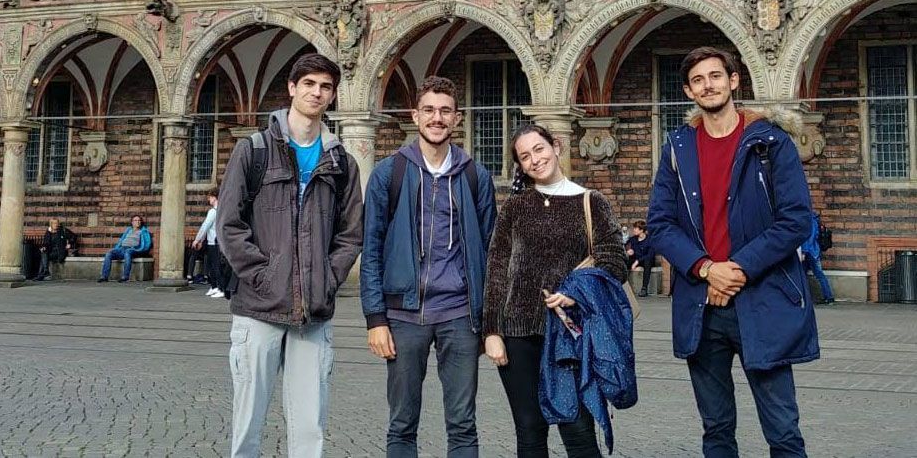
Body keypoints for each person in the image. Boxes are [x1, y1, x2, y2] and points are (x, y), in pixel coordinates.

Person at [647, 47, 818, 458]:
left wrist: (736, 269)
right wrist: (707, 269)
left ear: (734, 81)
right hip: (703, 306)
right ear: (689, 91)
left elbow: (795, 220)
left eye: (716, 76)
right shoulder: (678, 147)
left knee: (783, 430)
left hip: (762, 300)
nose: (709, 85)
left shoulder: (771, 143)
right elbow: (660, 225)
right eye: (699, 80)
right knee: (717, 429)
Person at [216, 53, 363, 458]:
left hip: (313, 314)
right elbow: (229, 224)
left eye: (326, 87)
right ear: (292, 88)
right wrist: (261, 275)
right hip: (258, 308)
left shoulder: (341, 162)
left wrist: (328, 278)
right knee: (248, 426)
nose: (317, 92)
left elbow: (350, 234)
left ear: (333, 96)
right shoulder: (254, 150)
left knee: (310, 429)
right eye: (310, 84)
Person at [360, 76, 497, 458]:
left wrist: (490, 322)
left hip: (459, 315)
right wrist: (375, 319)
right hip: (403, 316)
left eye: (445, 111)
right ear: (415, 115)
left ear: (457, 118)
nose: (437, 118)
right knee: (402, 425)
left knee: (463, 425)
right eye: (430, 110)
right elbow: (370, 248)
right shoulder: (389, 174)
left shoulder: (475, 176)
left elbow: (491, 251)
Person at [483, 123, 628, 458]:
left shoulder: (592, 202)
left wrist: (577, 291)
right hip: (519, 334)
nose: (534, 159)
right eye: (524, 156)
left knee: (577, 429)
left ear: (556, 147)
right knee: (530, 430)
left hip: (570, 334)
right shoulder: (515, 208)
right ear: (519, 165)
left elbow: (614, 261)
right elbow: (497, 269)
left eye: (539, 149)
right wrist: (491, 330)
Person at [98, 215, 152, 283]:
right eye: (136, 220)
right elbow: (122, 239)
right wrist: (117, 248)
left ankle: (125, 277)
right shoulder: (128, 230)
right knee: (109, 253)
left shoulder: (143, 231)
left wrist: (138, 249)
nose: (138, 222)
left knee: (127, 252)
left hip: (133, 249)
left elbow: (147, 244)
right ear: (132, 222)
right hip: (122, 249)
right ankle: (104, 277)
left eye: (139, 220)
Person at [193, 193, 227, 299]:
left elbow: (205, 226)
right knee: (212, 265)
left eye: (210, 198)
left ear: (215, 198)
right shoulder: (223, 211)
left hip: (214, 242)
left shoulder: (213, 211)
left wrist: (197, 239)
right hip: (215, 241)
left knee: (216, 265)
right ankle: (214, 286)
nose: (209, 200)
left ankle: (221, 288)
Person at [800, 212, 834, 305]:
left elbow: (809, 238)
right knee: (810, 274)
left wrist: (804, 252)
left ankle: (828, 296)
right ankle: (828, 297)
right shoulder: (814, 220)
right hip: (813, 251)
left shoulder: (810, 220)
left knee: (815, 274)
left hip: (810, 252)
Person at [626, 220, 656, 296]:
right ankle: (621, 286)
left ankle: (644, 288)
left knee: (647, 261)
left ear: (641, 230)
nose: (634, 230)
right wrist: (629, 251)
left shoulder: (650, 240)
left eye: (636, 228)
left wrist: (637, 261)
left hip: (645, 260)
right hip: (635, 259)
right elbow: (625, 246)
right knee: (624, 262)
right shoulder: (633, 239)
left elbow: (650, 255)